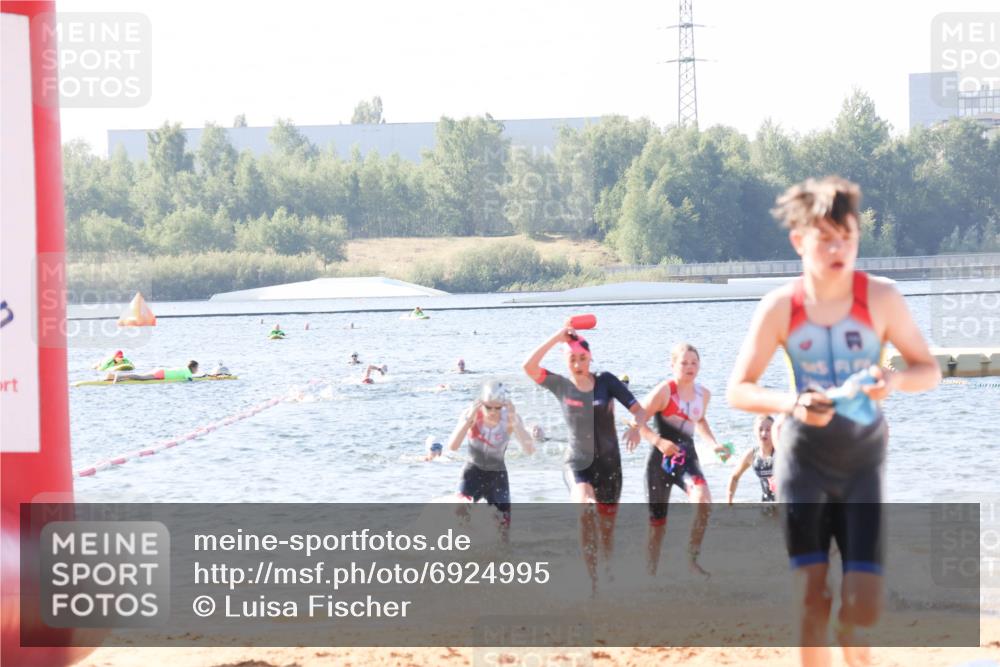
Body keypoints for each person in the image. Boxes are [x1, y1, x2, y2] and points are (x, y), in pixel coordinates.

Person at [726, 176, 940, 667]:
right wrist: (791, 403)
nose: (839, 248)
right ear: (800, 242)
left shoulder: (881, 298)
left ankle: (850, 637)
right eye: (826, 238)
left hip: (863, 464)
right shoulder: (781, 306)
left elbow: (927, 371)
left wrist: (892, 383)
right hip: (804, 463)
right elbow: (739, 389)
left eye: (849, 235)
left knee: (860, 606)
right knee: (810, 597)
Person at [523, 321, 647, 594]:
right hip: (577, 462)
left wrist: (638, 429)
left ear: (590, 358)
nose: (578, 364)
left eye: (582, 358)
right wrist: (556, 337)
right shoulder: (560, 385)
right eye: (572, 359)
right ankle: (590, 582)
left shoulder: (606, 381)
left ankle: (607, 571)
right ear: (566, 361)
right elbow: (528, 367)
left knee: (605, 533)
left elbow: (640, 410)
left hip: (610, 466)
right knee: (584, 506)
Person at [636, 343, 725, 578]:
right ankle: (649, 574)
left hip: (687, 460)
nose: (689, 367)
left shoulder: (703, 394)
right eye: (684, 363)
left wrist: (714, 444)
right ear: (673, 365)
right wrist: (659, 442)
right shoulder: (664, 391)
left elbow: (701, 420)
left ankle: (691, 559)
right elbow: (636, 421)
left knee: (704, 502)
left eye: (694, 363)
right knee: (657, 526)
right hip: (659, 463)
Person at [447, 381, 534, 539]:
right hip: (472, 473)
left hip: (497, 478)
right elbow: (452, 446)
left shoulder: (510, 417)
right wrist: (468, 421)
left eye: (498, 407)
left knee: (503, 535)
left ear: (503, 404)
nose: (493, 412)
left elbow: (530, 450)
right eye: (489, 407)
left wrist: (514, 421)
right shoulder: (471, 414)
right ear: (482, 403)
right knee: (459, 512)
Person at [727, 414, 776, 504]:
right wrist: (729, 501)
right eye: (760, 429)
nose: (764, 433)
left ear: (775, 432)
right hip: (766, 503)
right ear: (754, 431)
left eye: (768, 430)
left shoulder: (781, 452)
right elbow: (734, 477)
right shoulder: (752, 455)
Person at [111, 360, 199, 383]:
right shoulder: (187, 371)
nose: (197, 370)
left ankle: (120, 378)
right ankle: (119, 376)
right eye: (197, 368)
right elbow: (190, 381)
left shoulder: (184, 369)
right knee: (141, 378)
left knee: (140, 377)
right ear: (193, 368)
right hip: (162, 373)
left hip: (161, 371)